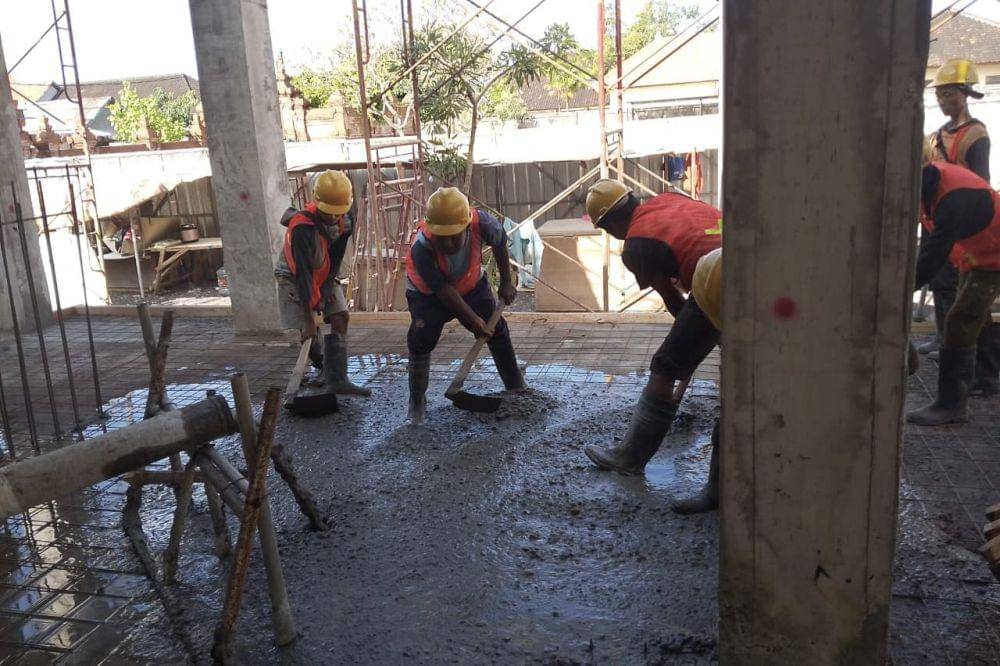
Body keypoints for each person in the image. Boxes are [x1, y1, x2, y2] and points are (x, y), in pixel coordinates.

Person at [581, 179, 722, 513]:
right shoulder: (669, 198)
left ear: (611, 225)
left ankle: (630, 457)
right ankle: (721, 487)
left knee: (664, 366)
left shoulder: (636, 245)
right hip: (747, 263)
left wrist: (685, 346)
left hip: (717, 276)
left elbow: (674, 301)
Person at [404, 187, 526, 424]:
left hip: (470, 284)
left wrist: (507, 282)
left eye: (454, 236)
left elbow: (500, 242)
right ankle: (416, 402)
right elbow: (443, 291)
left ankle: (516, 387)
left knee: (496, 329)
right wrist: (473, 320)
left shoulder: (484, 224)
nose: (448, 243)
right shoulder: (421, 248)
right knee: (421, 340)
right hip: (427, 294)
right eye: (442, 237)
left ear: (467, 227)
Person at [908, 137, 1000, 425]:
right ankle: (985, 379)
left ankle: (951, 405)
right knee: (976, 316)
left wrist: (899, 290)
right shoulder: (927, 184)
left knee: (958, 321)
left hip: (994, 256)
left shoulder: (953, 196)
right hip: (976, 255)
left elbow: (934, 254)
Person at [922, 58, 999, 396]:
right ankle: (970, 368)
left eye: (949, 93)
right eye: (938, 94)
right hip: (953, 228)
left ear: (965, 94)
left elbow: (979, 186)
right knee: (962, 307)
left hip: (976, 232)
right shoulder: (935, 137)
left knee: (966, 311)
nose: (942, 100)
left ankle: (968, 388)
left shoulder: (975, 136)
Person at [275, 170, 370, 396]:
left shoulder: (345, 220)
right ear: (317, 202)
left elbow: (336, 257)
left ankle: (337, 378)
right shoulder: (302, 228)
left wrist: (327, 287)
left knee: (340, 316)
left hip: (324, 269)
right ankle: (322, 369)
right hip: (294, 275)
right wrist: (308, 319)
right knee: (310, 333)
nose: (331, 217)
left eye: (336, 213)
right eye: (327, 213)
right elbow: (303, 274)